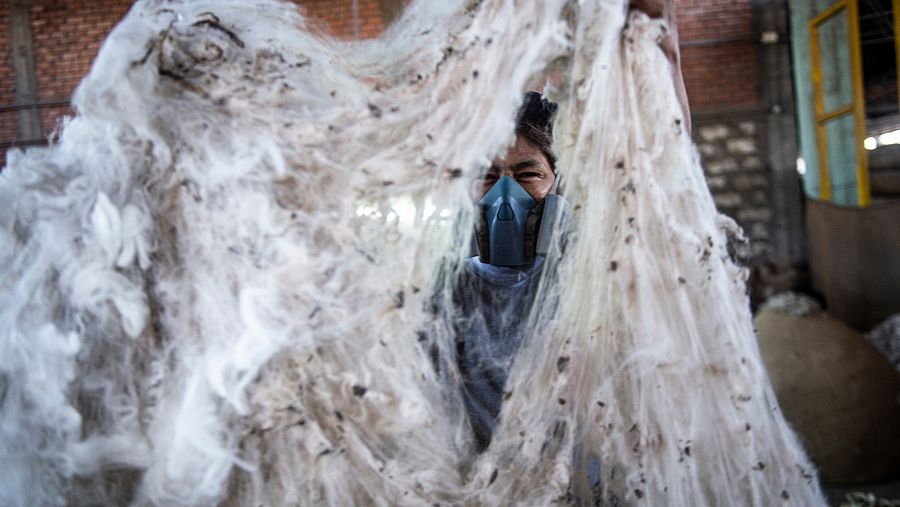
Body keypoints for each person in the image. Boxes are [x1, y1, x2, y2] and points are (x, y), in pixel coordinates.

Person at [452, 0, 691, 452]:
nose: (505, 196)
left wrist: (665, 49)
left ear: (557, 182)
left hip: (579, 470)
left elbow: (668, 169)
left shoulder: (590, 268)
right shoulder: (450, 287)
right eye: (488, 176)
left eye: (527, 174)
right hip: (489, 476)